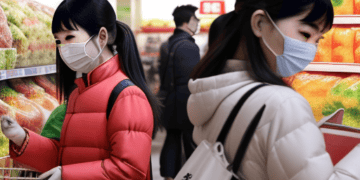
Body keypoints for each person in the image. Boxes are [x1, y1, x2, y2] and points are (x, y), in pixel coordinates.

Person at [187, 0, 360, 179]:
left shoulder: (213, 89)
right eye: (306, 34)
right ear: (260, 23)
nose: (311, 49)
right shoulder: (282, 105)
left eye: (318, 40)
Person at [0, 0, 161, 179]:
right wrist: (21, 138)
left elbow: (129, 170)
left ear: (101, 37)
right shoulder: (79, 93)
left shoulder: (127, 96)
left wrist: (67, 174)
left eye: (69, 37)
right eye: (58, 41)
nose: (64, 49)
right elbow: (64, 158)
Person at [158, 5, 200, 180]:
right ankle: (193, 175)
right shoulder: (189, 46)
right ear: (187, 21)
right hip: (185, 103)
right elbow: (194, 79)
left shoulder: (167, 44)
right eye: (195, 19)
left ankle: (168, 176)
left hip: (169, 101)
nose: (197, 23)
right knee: (192, 142)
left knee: (172, 139)